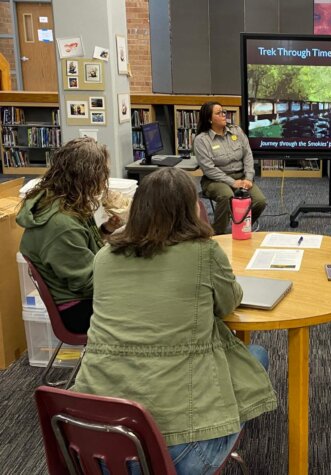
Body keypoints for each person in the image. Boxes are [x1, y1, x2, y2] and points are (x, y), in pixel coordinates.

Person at [71, 167, 277, 474]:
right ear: (191, 209)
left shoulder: (104, 257)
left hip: (90, 444)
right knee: (255, 358)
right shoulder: (204, 251)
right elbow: (227, 303)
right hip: (174, 454)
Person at [16, 137, 119, 334]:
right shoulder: (62, 224)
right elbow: (86, 282)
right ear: (87, 177)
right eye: (103, 174)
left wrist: (105, 230)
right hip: (77, 309)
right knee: (146, 301)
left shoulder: (59, 201)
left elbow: (78, 251)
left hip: (80, 295)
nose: (104, 181)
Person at [193, 101, 267, 234]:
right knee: (227, 195)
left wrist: (248, 178)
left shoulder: (236, 131)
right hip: (215, 180)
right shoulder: (201, 140)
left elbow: (248, 155)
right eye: (218, 113)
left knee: (260, 201)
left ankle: (241, 227)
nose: (223, 115)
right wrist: (232, 182)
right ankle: (217, 235)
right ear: (209, 119)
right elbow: (209, 169)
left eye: (223, 111)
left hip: (241, 176)